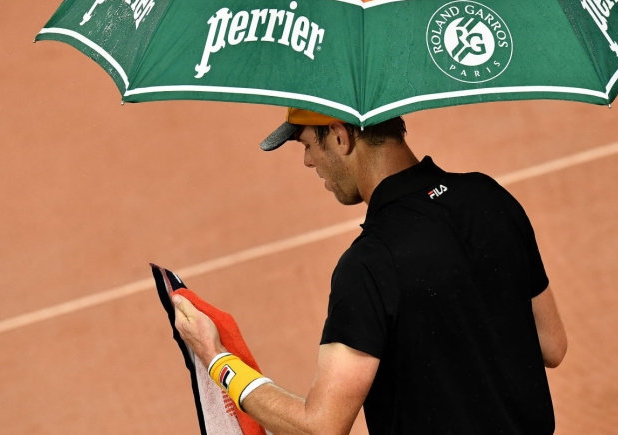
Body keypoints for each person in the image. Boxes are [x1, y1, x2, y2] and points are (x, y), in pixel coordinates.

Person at [171, 107, 567, 434]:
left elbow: (322, 426)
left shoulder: (369, 265)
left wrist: (216, 358)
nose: (308, 160)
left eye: (308, 143)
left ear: (341, 136)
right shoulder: (490, 196)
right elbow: (552, 345)